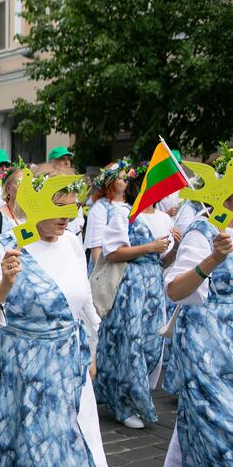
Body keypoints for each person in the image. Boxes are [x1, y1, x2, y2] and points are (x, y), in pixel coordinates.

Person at [0, 163, 106, 466]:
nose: (67, 217)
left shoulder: (73, 244)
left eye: (72, 208)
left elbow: (84, 305)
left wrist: (91, 352)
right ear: (33, 202)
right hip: (15, 377)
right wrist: (3, 286)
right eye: (58, 207)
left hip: (67, 372)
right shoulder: (5, 248)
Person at [93, 171, 181, 429]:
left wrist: (173, 248)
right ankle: (123, 404)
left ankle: (133, 398)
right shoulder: (125, 214)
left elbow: (162, 262)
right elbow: (112, 253)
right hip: (130, 286)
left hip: (153, 287)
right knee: (128, 345)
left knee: (151, 345)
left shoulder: (165, 218)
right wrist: (148, 247)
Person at [161, 152, 233, 466]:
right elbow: (175, 290)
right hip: (207, 344)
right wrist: (211, 261)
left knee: (200, 427)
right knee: (220, 429)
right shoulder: (203, 231)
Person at [83, 159, 131, 268]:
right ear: (110, 181)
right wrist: (100, 274)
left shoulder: (129, 207)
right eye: (120, 178)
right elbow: (96, 247)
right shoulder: (100, 208)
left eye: (126, 177)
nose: (125, 180)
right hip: (106, 270)